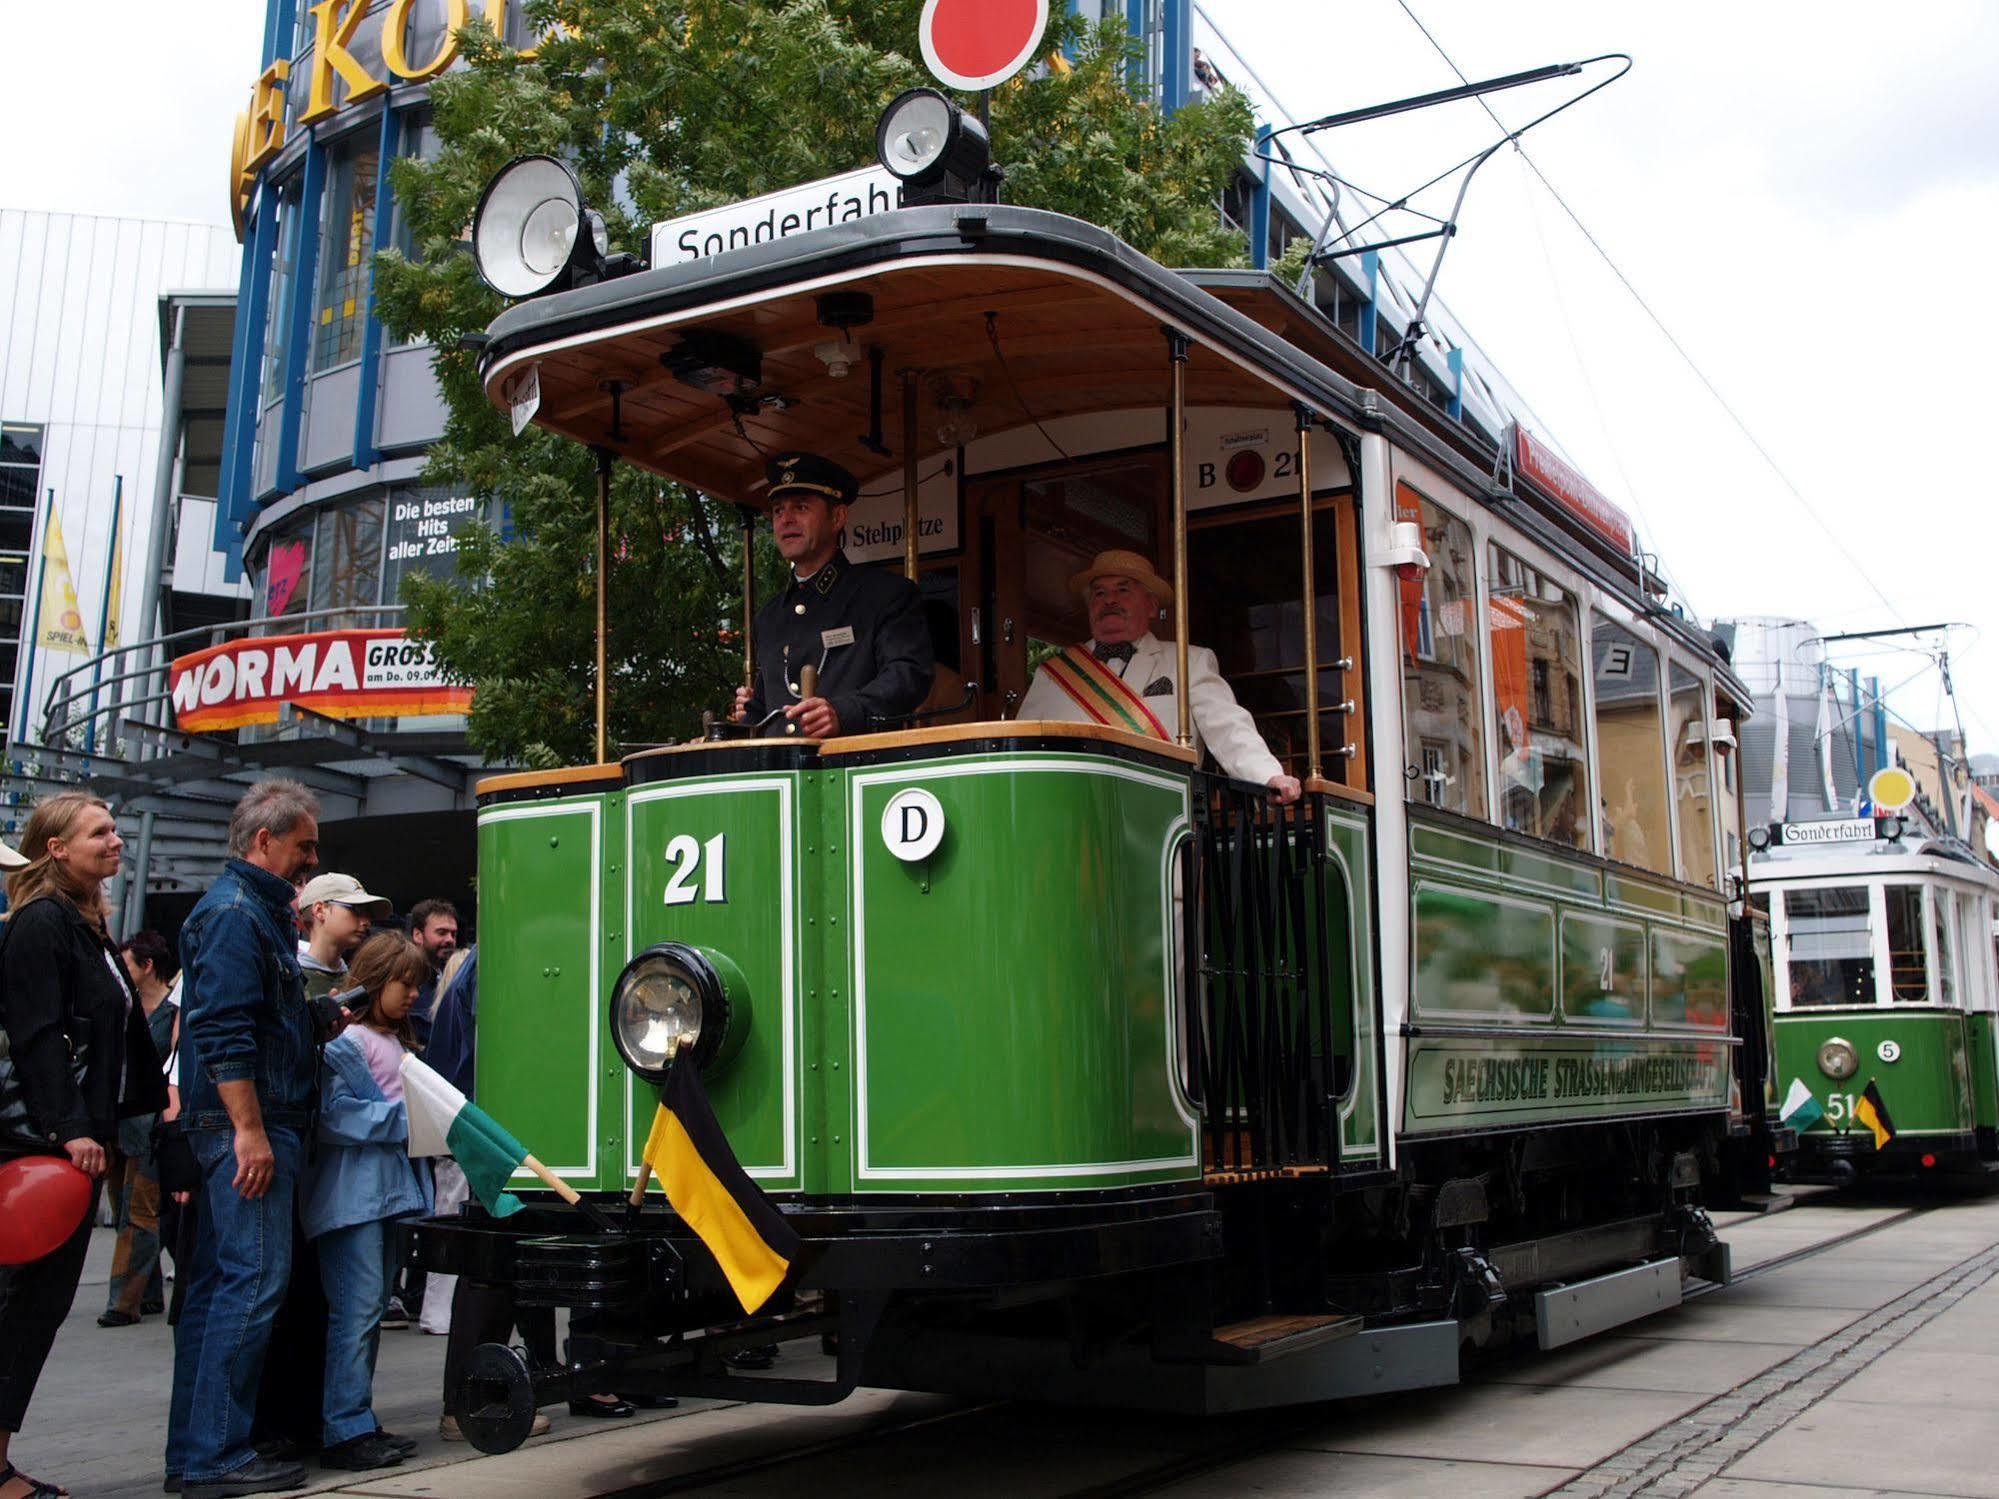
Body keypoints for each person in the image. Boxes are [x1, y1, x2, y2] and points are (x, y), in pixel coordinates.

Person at [0, 800, 168, 1499]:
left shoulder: (84, 924)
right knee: (22, 1305)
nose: (115, 839)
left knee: (34, 1309)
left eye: (115, 828)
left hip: (73, 1141)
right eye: (99, 831)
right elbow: (37, 1034)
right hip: (41, 1147)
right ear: (55, 848)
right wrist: (69, 1126)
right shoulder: (43, 923)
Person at [166, 778, 329, 1499]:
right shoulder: (238, 913)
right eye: (305, 845)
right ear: (265, 840)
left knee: (219, 1289)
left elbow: (245, 1024)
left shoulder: (246, 912)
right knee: (250, 1283)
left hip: (242, 1121)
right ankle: (213, 1454)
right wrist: (250, 1131)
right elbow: (224, 1030)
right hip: (247, 1126)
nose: (311, 859)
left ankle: (202, 1450)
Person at [1017, 549, 1302, 803]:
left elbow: (1229, 728)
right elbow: (1023, 750)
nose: (1109, 600)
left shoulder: (1189, 661)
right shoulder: (1055, 673)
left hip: (1159, 816)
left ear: (1152, 606)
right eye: (1099, 593)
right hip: (1075, 818)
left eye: (1123, 590)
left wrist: (1268, 776)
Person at [301, 933, 434, 1472]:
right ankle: (345, 1426)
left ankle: (354, 1419)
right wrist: (410, 1122)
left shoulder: (384, 1042)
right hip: (352, 1197)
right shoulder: (346, 1045)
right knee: (357, 1312)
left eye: (417, 986)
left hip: (378, 1195)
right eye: (405, 984)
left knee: (368, 1310)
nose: (413, 997)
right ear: (377, 980)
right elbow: (333, 1117)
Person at [732, 452, 934, 738]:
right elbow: (766, 713)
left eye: (800, 507)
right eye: (778, 510)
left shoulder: (884, 595)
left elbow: (908, 675)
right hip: (785, 777)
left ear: (837, 517)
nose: (786, 519)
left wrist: (845, 713)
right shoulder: (768, 618)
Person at [99, 929, 181, 1327]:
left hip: (151, 1126)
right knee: (124, 1210)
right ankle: (148, 1295)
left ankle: (123, 1302)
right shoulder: (125, 1008)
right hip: (120, 1122)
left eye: (127, 963)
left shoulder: (174, 1010)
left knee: (139, 1211)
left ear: (147, 967)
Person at [296, 874, 390, 1000]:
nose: (367, 922)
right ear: (320, 910)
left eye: (368, 914)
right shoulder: (289, 980)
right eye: (356, 910)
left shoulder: (357, 983)